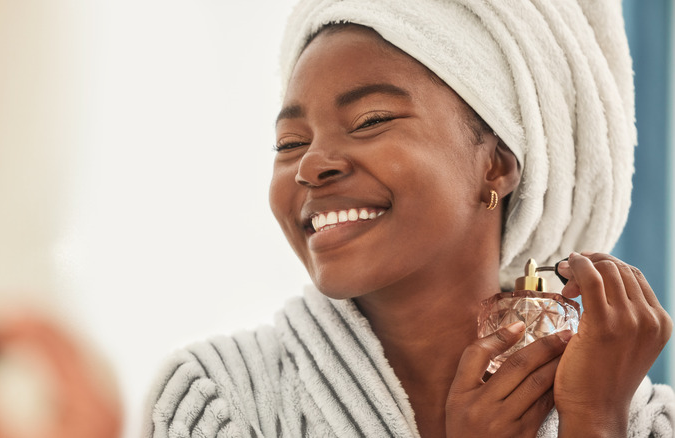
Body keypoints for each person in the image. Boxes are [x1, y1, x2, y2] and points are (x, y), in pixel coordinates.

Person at [146, 1, 674, 437]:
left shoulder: (644, 422)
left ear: (495, 165)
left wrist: (595, 424)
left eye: (370, 120)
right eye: (290, 143)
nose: (310, 164)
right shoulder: (217, 399)